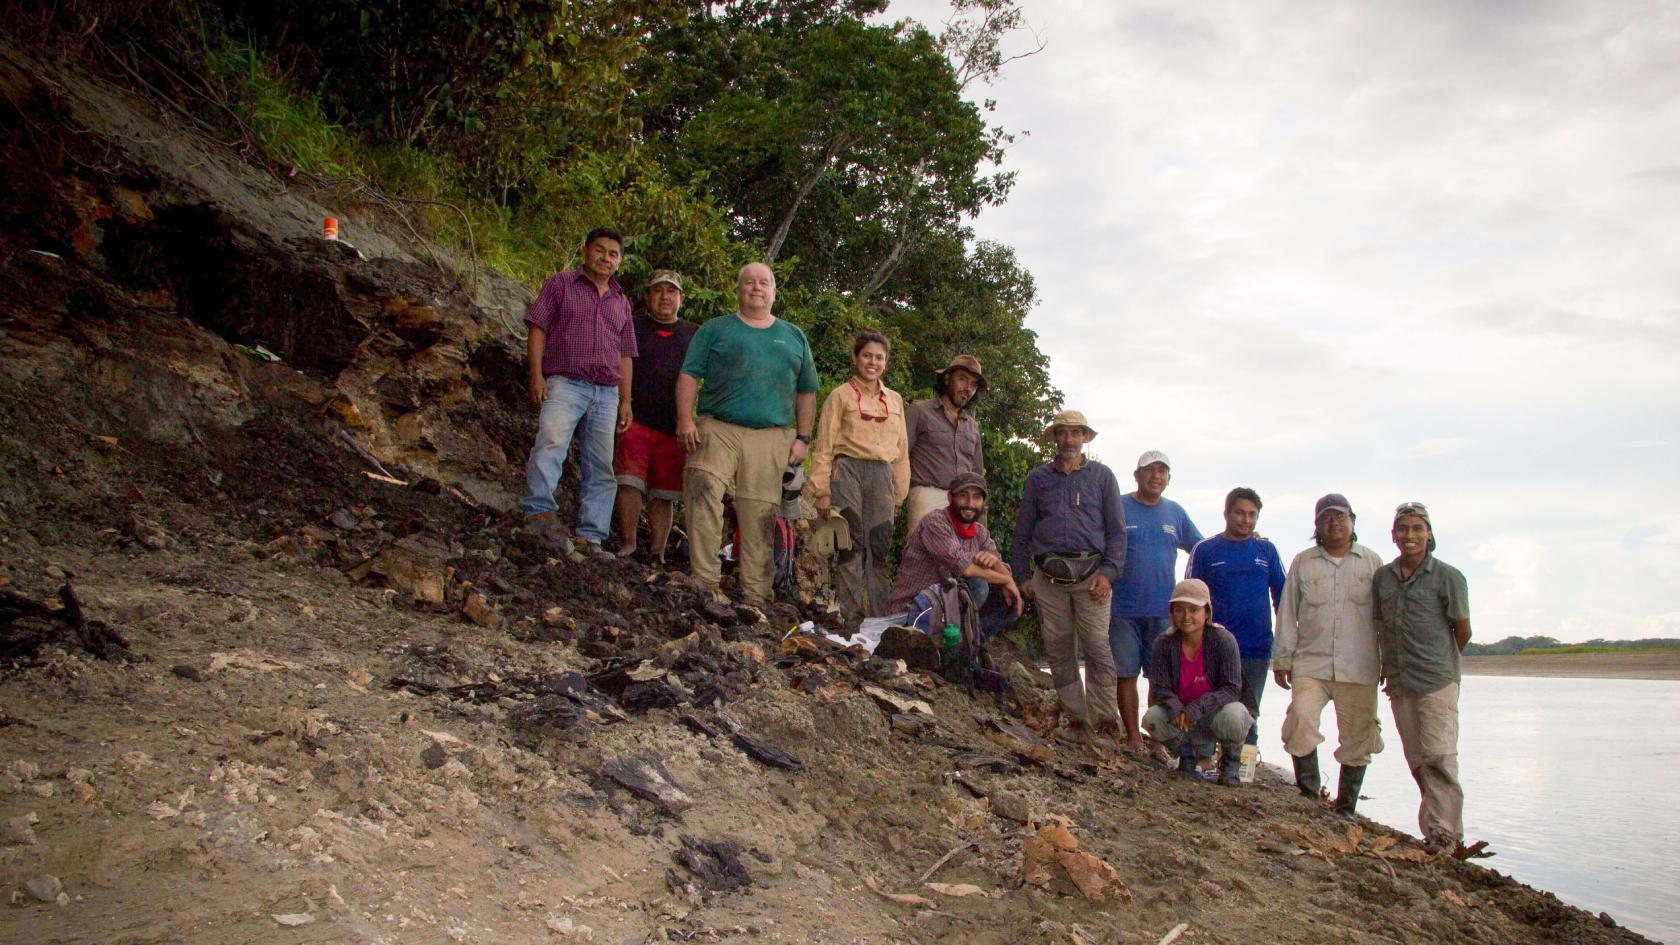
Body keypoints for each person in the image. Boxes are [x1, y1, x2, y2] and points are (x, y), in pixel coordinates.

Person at [676, 263, 818, 606]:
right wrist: (685, 419)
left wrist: (803, 438)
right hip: (719, 425)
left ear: (774, 292)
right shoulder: (715, 330)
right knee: (703, 487)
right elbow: (689, 374)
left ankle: (755, 595)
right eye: (749, 282)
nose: (757, 287)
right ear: (738, 290)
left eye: (764, 282)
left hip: (771, 435)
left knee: (760, 514)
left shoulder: (794, 335)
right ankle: (705, 581)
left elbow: (807, 391)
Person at [1011, 410, 1128, 748]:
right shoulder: (1038, 478)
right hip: (1048, 577)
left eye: (1076, 433)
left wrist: (1109, 573)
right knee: (1059, 649)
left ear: (1085, 438)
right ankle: (1075, 718)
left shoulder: (1103, 477)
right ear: (1055, 437)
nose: (1069, 440)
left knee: (1097, 647)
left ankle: (1105, 720)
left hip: (1093, 577)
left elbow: (1117, 533)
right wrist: (1022, 575)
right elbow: (1024, 529)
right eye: (1063, 433)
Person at [520, 227, 638, 558]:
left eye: (613, 253)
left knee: (601, 464)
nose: (606, 257)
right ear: (586, 251)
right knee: (551, 443)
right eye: (599, 250)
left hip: (606, 392)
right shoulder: (561, 284)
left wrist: (626, 400)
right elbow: (538, 327)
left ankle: (592, 535)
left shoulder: (621, 301)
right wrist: (537, 375)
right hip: (565, 382)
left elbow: (625, 354)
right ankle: (538, 511)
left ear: (620, 261)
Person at [1273, 493, 1386, 815]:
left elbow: (1385, 617)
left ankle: (1346, 807)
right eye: (1326, 518)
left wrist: (1389, 661)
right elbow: (1287, 611)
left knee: (1358, 735)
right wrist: (1282, 659)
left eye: (1340, 517)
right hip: (1311, 663)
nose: (1334, 523)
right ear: (1317, 525)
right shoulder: (1303, 562)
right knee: (1300, 721)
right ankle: (1309, 795)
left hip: (1360, 664)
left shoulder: (1372, 562)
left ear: (1352, 521)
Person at [1374, 501, 1472, 851]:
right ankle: (1435, 829)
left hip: (1437, 680)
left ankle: (1446, 836)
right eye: (1404, 529)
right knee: (1417, 759)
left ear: (1429, 535)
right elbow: (1380, 625)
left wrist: (1442, 664)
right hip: (1400, 682)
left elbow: (1462, 629)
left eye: (1418, 529)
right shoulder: (1383, 578)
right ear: (1394, 535)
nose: (1410, 535)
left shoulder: (1449, 576)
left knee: (1440, 757)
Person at [809, 331, 910, 619]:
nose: (873, 362)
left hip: (882, 475)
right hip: (847, 471)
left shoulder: (895, 400)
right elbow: (824, 445)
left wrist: (899, 494)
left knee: (879, 549)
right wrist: (821, 490)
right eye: (867, 355)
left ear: (886, 362)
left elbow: (901, 450)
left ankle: (879, 620)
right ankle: (851, 619)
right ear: (856, 358)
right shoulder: (839, 396)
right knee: (849, 547)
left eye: (879, 357)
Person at [1111, 451, 1204, 753]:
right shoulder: (1118, 507)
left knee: (1159, 680)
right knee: (1125, 674)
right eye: (1149, 470)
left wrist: (1244, 539)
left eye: (1162, 471)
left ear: (1168, 478)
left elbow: (1202, 549)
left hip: (1164, 613)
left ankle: (1156, 739)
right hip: (1121, 609)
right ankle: (1132, 737)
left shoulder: (1175, 512)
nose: (1156, 476)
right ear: (1136, 475)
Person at [1187, 487, 1286, 746]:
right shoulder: (1205, 549)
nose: (1246, 520)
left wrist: (1286, 646)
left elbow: (1283, 598)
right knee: (1208, 707)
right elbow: (1189, 598)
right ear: (1226, 514)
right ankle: (1203, 760)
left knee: (1248, 713)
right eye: (1240, 513)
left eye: (1252, 514)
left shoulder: (1267, 550)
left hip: (1256, 648)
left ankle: (1243, 769)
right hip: (1213, 648)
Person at [612, 269, 697, 563]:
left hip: (674, 426)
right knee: (628, 481)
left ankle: (657, 552)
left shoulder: (693, 334)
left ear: (681, 298)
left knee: (665, 492)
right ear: (648, 296)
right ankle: (628, 543)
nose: (665, 297)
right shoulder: (632, 326)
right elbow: (623, 362)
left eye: (671, 291)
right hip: (635, 417)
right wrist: (624, 401)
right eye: (658, 290)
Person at [1143, 579, 1253, 786]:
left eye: (1194, 610)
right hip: (1182, 714)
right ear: (1171, 612)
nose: (1186, 617)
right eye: (1179, 610)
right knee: (1153, 718)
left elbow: (1232, 688)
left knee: (1235, 715)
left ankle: (1230, 764)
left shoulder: (1224, 640)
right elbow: (1161, 687)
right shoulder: (1163, 643)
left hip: (1214, 712)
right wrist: (1177, 709)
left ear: (1207, 612)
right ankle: (1187, 757)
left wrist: (1198, 707)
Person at [883, 472, 1021, 618]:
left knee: (1008, 598)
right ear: (950, 497)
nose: (970, 503)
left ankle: (970, 638)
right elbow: (964, 568)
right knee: (978, 585)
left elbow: (1005, 571)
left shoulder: (980, 533)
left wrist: (997, 565)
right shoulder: (935, 523)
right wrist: (1007, 580)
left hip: (942, 608)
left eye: (977, 497)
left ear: (983, 502)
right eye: (963, 495)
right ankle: (945, 638)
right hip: (910, 610)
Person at [904, 355, 986, 529]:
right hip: (927, 495)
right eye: (962, 379)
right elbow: (900, 455)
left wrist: (981, 516)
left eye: (973, 384)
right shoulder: (919, 410)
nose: (967, 389)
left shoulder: (972, 426)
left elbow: (977, 474)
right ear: (948, 379)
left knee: (963, 555)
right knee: (924, 553)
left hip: (964, 503)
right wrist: (896, 496)